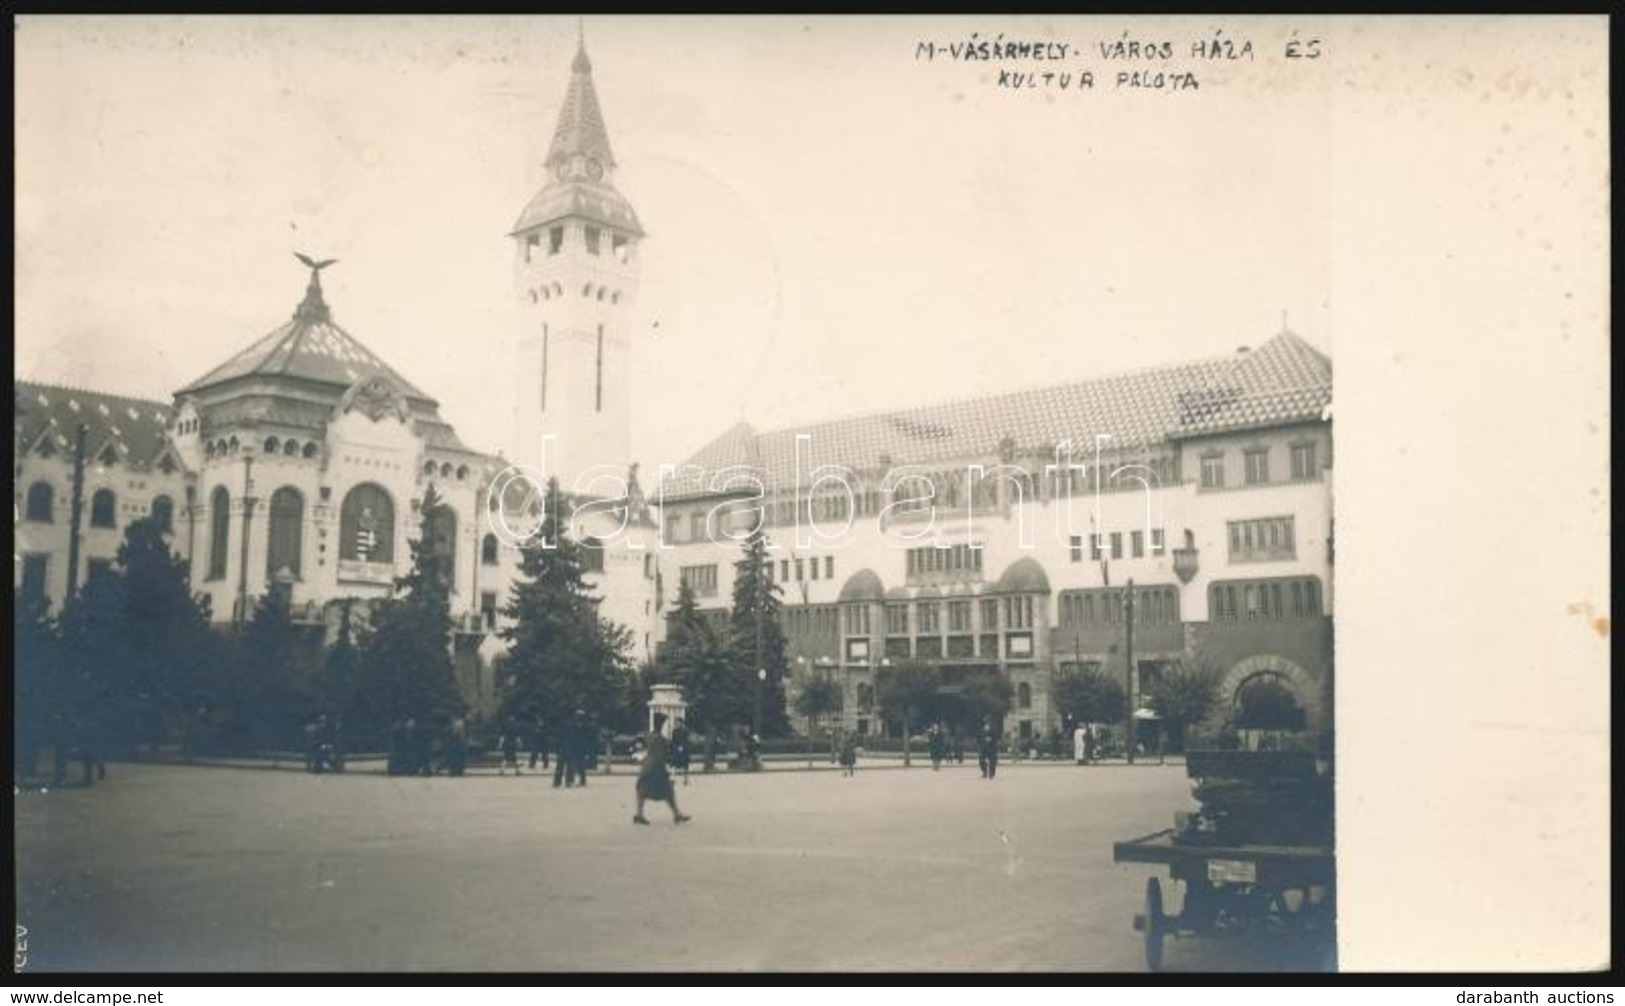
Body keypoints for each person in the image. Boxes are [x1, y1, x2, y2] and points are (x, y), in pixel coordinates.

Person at [633, 713, 691, 826]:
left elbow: (643, 749)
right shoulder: (660, 739)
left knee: (643, 790)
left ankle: (639, 814)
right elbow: (661, 756)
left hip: (647, 766)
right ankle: (677, 814)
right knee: (668, 792)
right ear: (661, 725)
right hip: (656, 768)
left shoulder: (649, 736)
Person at [669, 722, 691, 786]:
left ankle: (685, 779)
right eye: (676, 723)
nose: (677, 724)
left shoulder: (685, 731)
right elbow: (673, 741)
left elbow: (686, 741)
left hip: (684, 750)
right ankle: (673, 779)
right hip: (676, 750)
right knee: (673, 765)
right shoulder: (674, 731)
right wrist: (675, 748)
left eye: (678, 723)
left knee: (685, 765)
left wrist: (682, 747)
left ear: (681, 724)